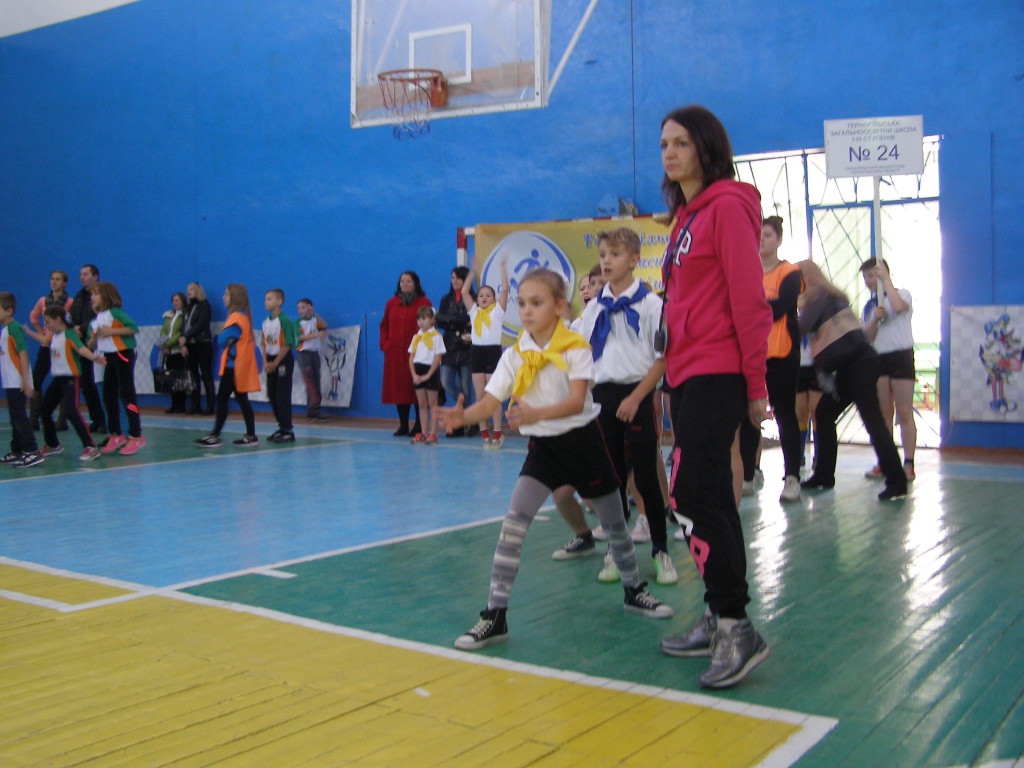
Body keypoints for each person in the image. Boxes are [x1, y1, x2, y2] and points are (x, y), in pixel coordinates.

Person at [440, 268, 671, 652]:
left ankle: (633, 590)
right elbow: (488, 402)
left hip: (585, 445)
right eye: (522, 303)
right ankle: (495, 615)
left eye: (537, 302)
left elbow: (577, 402)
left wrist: (534, 414)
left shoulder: (576, 348)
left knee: (616, 526)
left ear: (560, 306)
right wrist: (461, 416)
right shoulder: (515, 356)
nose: (527, 311)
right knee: (512, 527)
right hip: (544, 451)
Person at [656, 105, 773, 690]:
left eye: (681, 142)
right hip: (686, 371)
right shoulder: (686, 217)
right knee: (707, 495)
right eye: (664, 145)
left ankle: (736, 625)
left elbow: (750, 300)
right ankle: (719, 612)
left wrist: (756, 385)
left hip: (718, 369)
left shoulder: (726, 207)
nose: (670, 153)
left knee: (693, 491)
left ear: (707, 147)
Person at [576, 227, 677, 586]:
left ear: (634, 260)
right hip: (602, 399)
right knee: (611, 480)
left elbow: (662, 359)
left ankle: (661, 551)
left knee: (646, 478)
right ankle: (616, 552)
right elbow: (583, 359)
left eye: (615, 255)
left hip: (638, 395)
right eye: (603, 255)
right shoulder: (593, 310)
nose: (606, 261)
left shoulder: (651, 306)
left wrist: (636, 398)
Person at [797, 260, 908, 501]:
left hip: (857, 363)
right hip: (856, 361)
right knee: (824, 412)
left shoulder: (816, 295)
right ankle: (824, 475)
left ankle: (897, 480)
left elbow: (801, 327)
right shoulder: (832, 294)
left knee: (872, 420)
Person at [738, 215, 804, 503]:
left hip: (782, 354)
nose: (762, 240)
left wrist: (754, 307)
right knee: (749, 416)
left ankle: (792, 478)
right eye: (758, 235)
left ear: (778, 240)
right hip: (751, 354)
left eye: (767, 235)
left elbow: (781, 307)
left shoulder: (789, 272)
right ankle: (748, 475)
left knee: (785, 415)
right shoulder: (745, 272)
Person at [860, 258, 917, 481]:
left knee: (904, 411)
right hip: (879, 359)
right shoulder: (869, 307)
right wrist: (875, 318)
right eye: (865, 277)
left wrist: (886, 281)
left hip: (900, 357)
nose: (868, 281)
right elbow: (867, 336)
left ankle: (908, 463)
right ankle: (886, 461)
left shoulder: (902, 294)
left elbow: (900, 308)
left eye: (872, 275)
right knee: (884, 412)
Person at [31, 306, 106, 460]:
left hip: (70, 378)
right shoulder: (54, 336)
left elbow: (81, 349)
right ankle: (52, 444)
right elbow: (44, 340)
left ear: (58, 320)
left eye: (48, 322)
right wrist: (27, 331)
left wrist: (94, 358)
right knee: (45, 410)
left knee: (72, 411)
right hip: (57, 380)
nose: (47, 326)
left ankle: (90, 446)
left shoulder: (69, 334)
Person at [195, 284, 261, 448]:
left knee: (222, 399)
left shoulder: (236, 318)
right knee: (242, 400)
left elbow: (222, 339)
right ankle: (251, 435)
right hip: (238, 365)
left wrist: (228, 339)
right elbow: (227, 338)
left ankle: (215, 435)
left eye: (226, 295)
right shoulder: (243, 317)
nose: (223, 297)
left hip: (233, 366)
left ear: (235, 298)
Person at [87, 281, 145, 456]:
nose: (92, 297)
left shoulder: (115, 313)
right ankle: (115, 433)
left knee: (126, 393)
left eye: (96, 294)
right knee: (108, 395)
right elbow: (90, 344)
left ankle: (136, 434)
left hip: (122, 353)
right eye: (91, 294)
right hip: (109, 356)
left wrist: (111, 331)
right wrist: (95, 337)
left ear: (106, 296)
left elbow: (133, 328)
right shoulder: (95, 320)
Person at [462, 258, 509, 447]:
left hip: (492, 353)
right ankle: (484, 433)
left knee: (493, 395)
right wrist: (472, 271)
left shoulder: (497, 312)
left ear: (494, 300)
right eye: (481, 295)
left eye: (488, 295)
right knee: (480, 396)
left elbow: (505, 289)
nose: (483, 298)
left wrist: (502, 267)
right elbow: (464, 291)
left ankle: (497, 432)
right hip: (477, 354)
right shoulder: (474, 312)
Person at [380, 271, 432, 436]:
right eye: (402, 281)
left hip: (418, 356)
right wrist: (385, 345)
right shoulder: (391, 303)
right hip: (395, 355)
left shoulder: (424, 302)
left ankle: (419, 425)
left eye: (408, 281)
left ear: (415, 283)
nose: (405, 284)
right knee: (399, 390)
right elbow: (384, 326)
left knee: (416, 389)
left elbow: (431, 327)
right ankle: (403, 424)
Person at [0, 292, 44, 468]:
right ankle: (17, 450)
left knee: (19, 417)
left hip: (18, 382)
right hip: (10, 382)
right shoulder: (5, 330)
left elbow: (23, 353)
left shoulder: (14, 328)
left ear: (9, 311)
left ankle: (32, 451)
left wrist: (25, 381)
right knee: (14, 416)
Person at [28, 270, 73, 431]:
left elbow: (72, 322)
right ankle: (33, 418)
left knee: (62, 380)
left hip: (62, 346)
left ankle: (62, 420)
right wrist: (41, 333)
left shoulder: (69, 302)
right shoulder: (43, 301)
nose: (54, 282)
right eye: (52, 279)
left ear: (64, 283)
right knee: (36, 380)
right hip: (46, 346)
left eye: (58, 279)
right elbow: (33, 317)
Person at [435, 266, 474, 436]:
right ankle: (468, 418)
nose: (455, 281)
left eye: (458, 277)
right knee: (446, 382)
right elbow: (439, 319)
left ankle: (466, 422)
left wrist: (451, 321)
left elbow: (472, 319)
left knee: (466, 387)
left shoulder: (473, 298)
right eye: (452, 277)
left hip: (467, 347)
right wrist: (460, 321)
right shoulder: (446, 299)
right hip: (449, 346)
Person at [68, 264, 105, 432]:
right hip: (81, 344)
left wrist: (82, 329)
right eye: (80, 274)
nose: (82, 277)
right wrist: (74, 328)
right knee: (86, 383)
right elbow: (71, 317)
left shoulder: (102, 294)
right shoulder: (78, 296)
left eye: (86, 274)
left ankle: (105, 421)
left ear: (95, 276)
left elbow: (100, 316)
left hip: (97, 344)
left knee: (99, 383)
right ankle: (96, 419)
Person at [261, 288, 297, 443]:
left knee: (282, 394)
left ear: (279, 301)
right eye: (265, 299)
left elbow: (287, 344)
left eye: (269, 299)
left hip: (282, 359)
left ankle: (287, 429)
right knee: (271, 394)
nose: (266, 301)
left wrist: (276, 363)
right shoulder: (265, 322)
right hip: (270, 360)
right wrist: (265, 363)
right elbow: (264, 345)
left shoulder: (284, 320)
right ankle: (282, 426)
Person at [407, 305, 446, 444]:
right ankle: (423, 432)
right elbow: (411, 358)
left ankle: (433, 433)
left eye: (424, 319)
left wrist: (429, 374)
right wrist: (414, 375)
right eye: (419, 319)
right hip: (418, 371)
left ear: (432, 320)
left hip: (430, 371)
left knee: (432, 404)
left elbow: (438, 357)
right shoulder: (416, 337)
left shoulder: (437, 337)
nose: (421, 322)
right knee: (421, 403)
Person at [179, 282, 216, 415]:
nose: (189, 292)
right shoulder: (187, 308)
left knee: (206, 374)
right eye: (187, 290)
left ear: (198, 291)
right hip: (190, 344)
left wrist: (186, 336)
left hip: (202, 343)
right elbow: (184, 326)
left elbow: (201, 324)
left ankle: (210, 406)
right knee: (193, 375)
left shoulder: (204, 305)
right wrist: (183, 343)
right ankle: (195, 405)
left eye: (192, 289)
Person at [296, 298, 328, 423]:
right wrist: (317, 335)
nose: (300, 310)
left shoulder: (315, 320)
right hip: (304, 354)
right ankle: (312, 411)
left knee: (316, 380)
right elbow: (300, 337)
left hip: (315, 354)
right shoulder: (297, 322)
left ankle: (316, 410)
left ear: (309, 308)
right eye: (298, 308)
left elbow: (324, 325)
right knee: (310, 382)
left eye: (303, 307)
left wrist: (314, 314)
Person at [795, 335, 822, 472]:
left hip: (817, 365)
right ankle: (798, 455)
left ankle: (819, 456)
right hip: (797, 365)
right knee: (800, 413)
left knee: (816, 412)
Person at [159, 292, 188, 414]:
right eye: (173, 301)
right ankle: (174, 404)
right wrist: (163, 344)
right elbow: (163, 331)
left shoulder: (185, 316)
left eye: (177, 300)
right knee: (170, 379)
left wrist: (169, 343)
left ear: (183, 301)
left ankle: (181, 405)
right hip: (168, 352)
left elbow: (180, 333)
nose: (175, 303)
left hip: (178, 351)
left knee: (179, 379)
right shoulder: (169, 315)